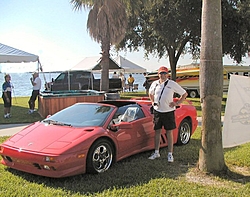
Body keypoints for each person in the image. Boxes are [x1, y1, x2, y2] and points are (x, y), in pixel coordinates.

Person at [148, 66, 188, 162]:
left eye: (164, 73)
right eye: (161, 73)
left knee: (169, 132)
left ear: (167, 74)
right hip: (157, 111)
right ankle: (156, 152)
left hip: (168, 112)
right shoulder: (155, 84)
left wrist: (177, 103)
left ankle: (170, 154)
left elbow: (184, 94)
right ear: (158, 74)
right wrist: (152, 102)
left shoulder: (172, 84)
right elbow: (150, 93)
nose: (163, 75)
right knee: (157, 131)